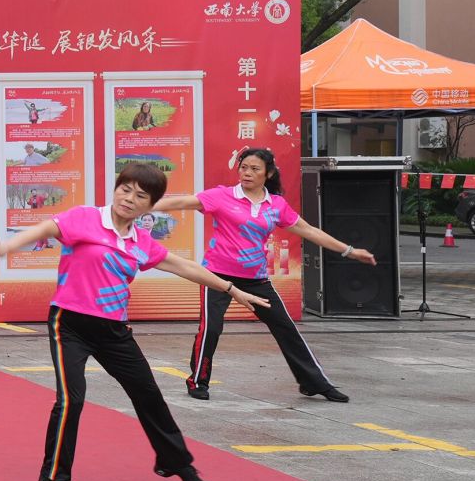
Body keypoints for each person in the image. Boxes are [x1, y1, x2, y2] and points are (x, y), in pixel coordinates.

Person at [0, 162, 269, 481]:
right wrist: (4, 248)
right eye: (125, 189)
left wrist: (231, 289)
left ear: (151, 205)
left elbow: (184, 266)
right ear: (116, 189)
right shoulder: (85, 218)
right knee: (71, 399)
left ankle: (174, 460)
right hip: (69, 324)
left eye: (140, 195)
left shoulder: (141, 242)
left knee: (148, 394)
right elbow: (46, 228)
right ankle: (54, 475)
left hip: (114, 330)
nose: (129, 198)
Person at [156, 146, 366, 403]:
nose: (247, 173)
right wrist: (140, 208)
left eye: (255, 169)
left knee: (286, 328)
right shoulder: (222, 196)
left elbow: (309, 231)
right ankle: (198, 381)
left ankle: (314, 383)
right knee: (211, 328)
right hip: (217, 275)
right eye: (244, 167)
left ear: (269, 173)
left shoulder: (276, 205)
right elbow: (180, 202)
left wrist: (349, 251)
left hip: (256, 279)